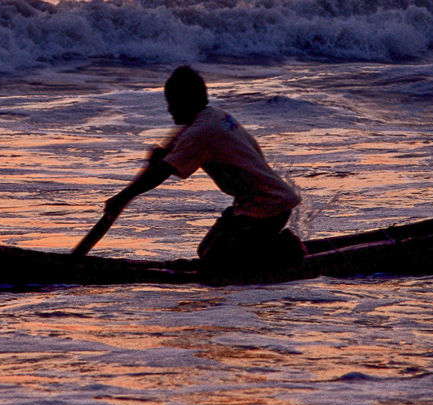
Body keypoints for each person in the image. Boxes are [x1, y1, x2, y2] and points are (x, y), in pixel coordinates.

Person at [104, 65, 305, 271]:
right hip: (254, 203)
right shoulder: (214, 117)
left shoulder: (201, 132)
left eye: (172, 102)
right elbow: (170, 153)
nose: (169, 109)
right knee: (205, 250)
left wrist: (122, 197)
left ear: (186, 101)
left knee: (216, 262)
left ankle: (285, 247)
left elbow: (162, 172)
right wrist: (161, 156)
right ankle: (265, 249)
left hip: (267, 207)